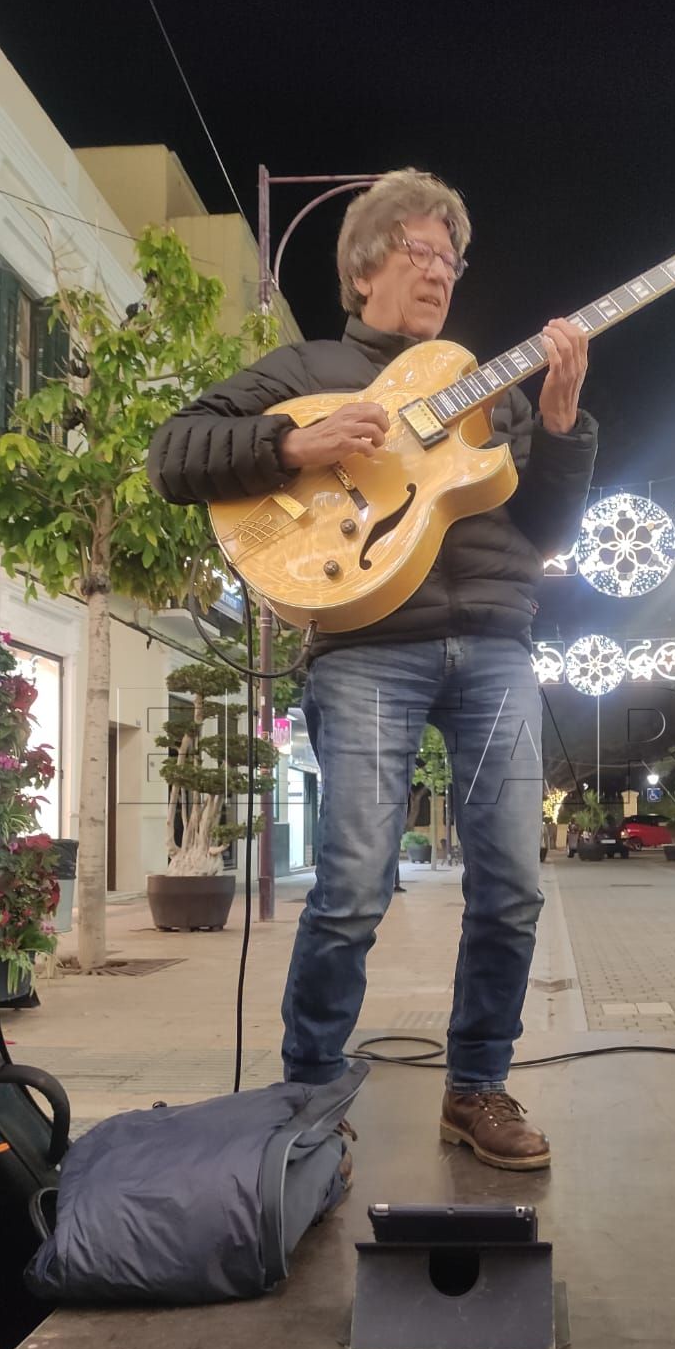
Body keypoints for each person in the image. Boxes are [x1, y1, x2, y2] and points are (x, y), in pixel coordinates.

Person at [148, 169, 596, 1168]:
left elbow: (547, 530)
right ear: (362, 268)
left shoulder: (483, 385)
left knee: (512, 885)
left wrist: (563, 429)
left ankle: (476, 1088)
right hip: (364, 648)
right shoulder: (307, 365)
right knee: (352, 883)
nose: (440, 271)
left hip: (496, 642)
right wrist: (292, 442)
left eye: (452, 258)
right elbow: (172, 453)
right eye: (419, 251)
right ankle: (309, 1096)